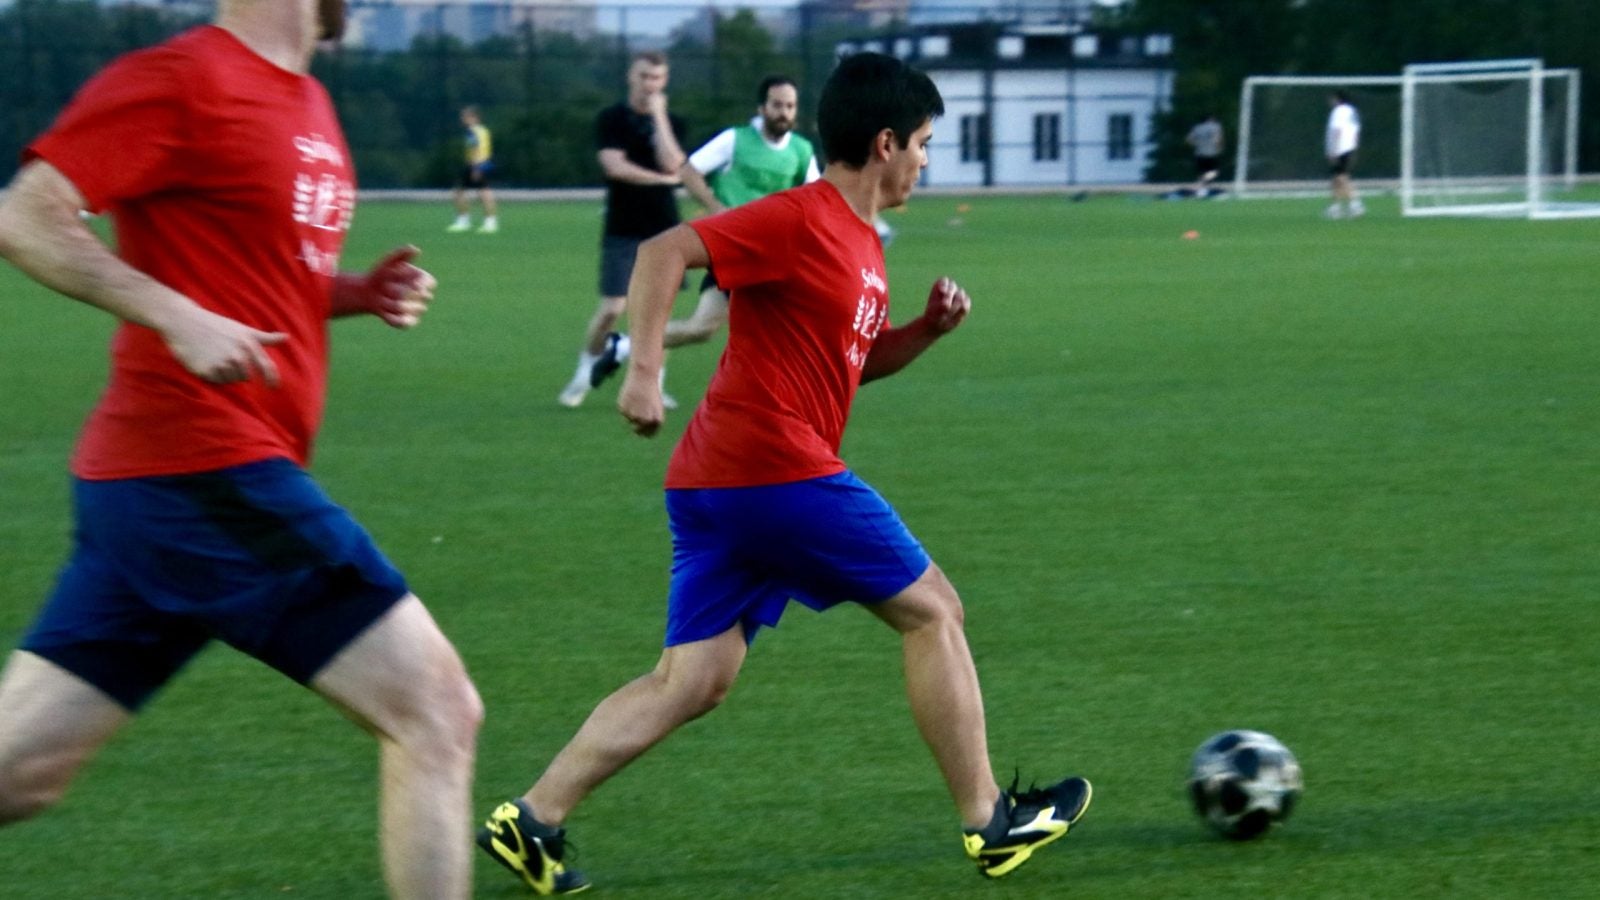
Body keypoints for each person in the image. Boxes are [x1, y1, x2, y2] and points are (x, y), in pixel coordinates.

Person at [477, 52, 1091, 896]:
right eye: (922, 143)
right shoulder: (799, 218)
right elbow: (663, 251)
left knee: (692, 679)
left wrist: (925, 331)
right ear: (884, 143)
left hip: (720, 482)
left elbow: (853, 363)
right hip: (772, 466)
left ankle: (532, 818)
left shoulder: (863, 245)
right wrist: (647, 369)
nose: (926, 161)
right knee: (934, 611)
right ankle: (989, 822)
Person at [0, 3, 482, 899]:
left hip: (150, 492)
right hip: (201, 470)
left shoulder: (306, 100)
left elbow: (259, 274)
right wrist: (171, 313)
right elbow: (25, 217)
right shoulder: (181, 78)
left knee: (18, 775)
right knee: (436, 711)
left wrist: (351, 294)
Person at [587, 74, 819, 389]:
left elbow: (815, 201)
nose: (784, 112)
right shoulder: (736, 140)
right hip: (736, 252)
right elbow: (689, 170)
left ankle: (623, 346)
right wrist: (716, 207)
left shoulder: (802, 152)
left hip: (775, 257)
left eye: (790, 106)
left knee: (706, 329)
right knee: (729, 326)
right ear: (762, 108)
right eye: (777, 105)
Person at [557, 50, 687, 410]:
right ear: (632, 76)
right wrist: (662, 180)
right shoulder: (611, 119)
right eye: (645, 77)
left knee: (660, 312)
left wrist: (660, 117)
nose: (651, 85)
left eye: (658, 78)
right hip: (623, 226)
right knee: (613, 308)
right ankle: (584, 371)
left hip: (664, 228)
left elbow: (674, 161)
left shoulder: (672, 121)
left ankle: (654, 385)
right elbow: (615, 166)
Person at [447, 104, 498, 234]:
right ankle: (488, 221)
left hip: (476, 164)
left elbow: (475, 148)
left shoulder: (472, 131)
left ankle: (468, 221)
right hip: (485, 163)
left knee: (480, 193)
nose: (462, 119)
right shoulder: (484, 130)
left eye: (465, 116)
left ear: (474, 118)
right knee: (471, 192)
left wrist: (475, 168)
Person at [1325, 90, 1365, 219]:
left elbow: (1337, 130)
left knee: (1342, 177)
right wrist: (1355, 147)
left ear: (1337, 99)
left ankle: (1355, 204)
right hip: (1350, 146)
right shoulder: (1352, 111)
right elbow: (1356, 131)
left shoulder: (1338, 111)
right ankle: (1335, 207)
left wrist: (1333, 150)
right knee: (1337, 178)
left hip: (1340, 148)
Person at [1185, 113, 1225, 197]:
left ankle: (1202, 190)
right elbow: (1217, 139)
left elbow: (1188, 139)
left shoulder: (1197, 127)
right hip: (1211, 153)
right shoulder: (1215, 126)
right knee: (1214, 172)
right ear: (1211, 119)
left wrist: (1197, 145)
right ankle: (1199, 186)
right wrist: (1219, 148)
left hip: (1199, 153)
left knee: (1201, 173)